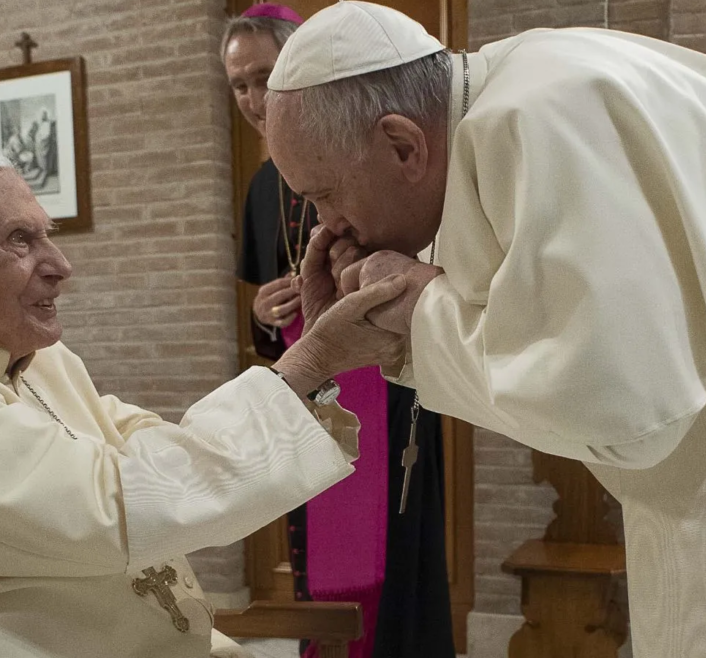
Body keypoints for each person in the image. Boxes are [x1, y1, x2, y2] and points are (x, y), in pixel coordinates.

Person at [264, 3, 706, 657]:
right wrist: (401, 309)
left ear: (403, 146)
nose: (328, 226)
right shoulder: (502, 108)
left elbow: (616, 408)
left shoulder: (544, 116)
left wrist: (415, 320)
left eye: (325, 194)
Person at [0, 131, 410, 658]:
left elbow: (150, 449)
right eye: (19, 241)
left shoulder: (27, 353)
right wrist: (309, 361)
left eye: (47, 234)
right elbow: (104, 511)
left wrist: (311, 368)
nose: (61, 265)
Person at [221, 6, 455, 658]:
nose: (251, 97)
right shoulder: (262, 187)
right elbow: (264, 319)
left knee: (395, 556)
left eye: (263, 77)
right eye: (238, 84)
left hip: (385, 374)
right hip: (311, 382)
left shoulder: (368, 150)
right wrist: (265, 316)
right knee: (318, 558)